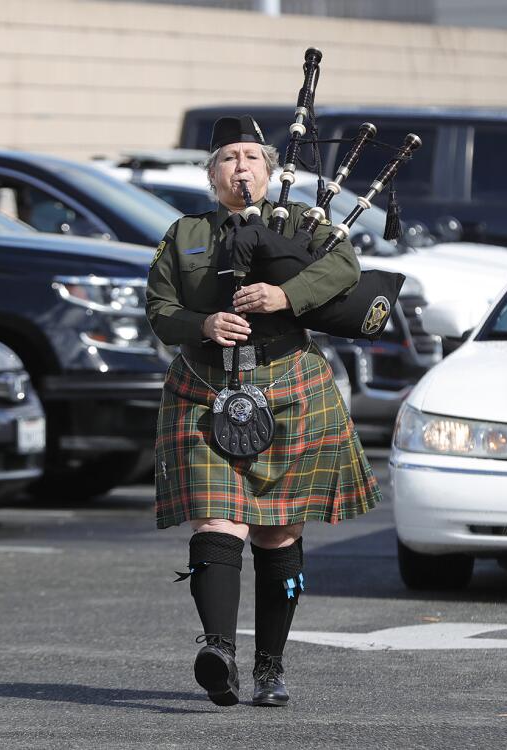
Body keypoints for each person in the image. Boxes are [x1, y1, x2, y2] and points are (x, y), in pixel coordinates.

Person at [145, 115, 382, 708]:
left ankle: (271, 665)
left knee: (278, 533)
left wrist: (285, 295)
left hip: (289, 384)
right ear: (212, 174)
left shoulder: (303, 223)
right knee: (216, 521)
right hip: (206, 389)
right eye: (229, 157)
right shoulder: (185, 234)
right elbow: (158, 307)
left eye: (253, 156)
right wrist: (199, 322)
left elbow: (344, 268)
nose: (241, 167)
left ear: (270, 171)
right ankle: (219, 652)